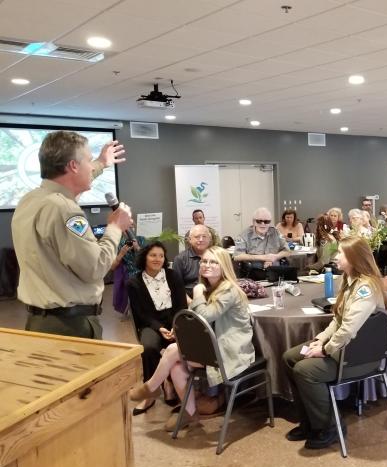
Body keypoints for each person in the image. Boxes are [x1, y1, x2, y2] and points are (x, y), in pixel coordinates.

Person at [11, 131, 131, 339]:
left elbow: (73, 183)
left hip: (43, 322)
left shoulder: (30, 199)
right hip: (70, 326)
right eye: (89, 160)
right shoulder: (63, 209)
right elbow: (95, 267)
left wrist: (102, 163)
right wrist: (115, 227)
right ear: (73, 166)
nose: (91, 166)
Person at [129, 246, 255, 431]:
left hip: (231, 352)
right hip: (215, 346)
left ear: (224, 266)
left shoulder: (228, 289)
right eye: (205, 261)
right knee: (176, 368)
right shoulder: (210, 287)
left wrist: (197, 293)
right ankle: (189, 413)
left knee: (172, 350)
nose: (207, 265)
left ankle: (151, 387)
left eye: (214, 262)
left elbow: (205, 316)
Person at [282, 237, 387, 449]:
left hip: (358, 357)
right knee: (289, 358)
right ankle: (309, 421)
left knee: (305, 370)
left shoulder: (365, 288)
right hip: (346, 347)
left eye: (341, 253)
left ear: (354, 258)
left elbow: (348, 328)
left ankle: (329, 426)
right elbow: (338, 319)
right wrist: (320, 339)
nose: (336, 256)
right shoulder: (349, 280)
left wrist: (325, 350)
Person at [127, 242, 187, 415]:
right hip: (150, 323)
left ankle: (171, 384)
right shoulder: (134, 282)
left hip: (175, 321)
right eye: (153, 255)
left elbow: (182, 305)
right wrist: (159, 328)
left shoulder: (173, 275)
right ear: (144, 257)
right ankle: (150, 393)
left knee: (183, 344)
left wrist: (175, 325)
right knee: (149, 347)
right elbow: (140, 313)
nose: (157, 259)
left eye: (161, 256)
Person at [233, 207, 290, 280]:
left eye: (266, 221)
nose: (263, 224)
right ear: (253, 222)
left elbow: (287, 251)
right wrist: (263, 257)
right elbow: (237, 256)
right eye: (259, 221)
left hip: (276, 273)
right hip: (253, 274)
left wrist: (275, 257)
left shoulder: (276, 232)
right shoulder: (244, 235)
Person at [173, 224, 212, 289]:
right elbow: (176, 287)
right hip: (189, 294)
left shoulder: (217, 256)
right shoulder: (180, 259)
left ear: (209, 239)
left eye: (204, 236)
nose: (201, 239)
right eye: (197, 237)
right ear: (190, 240)